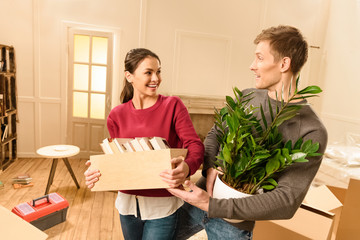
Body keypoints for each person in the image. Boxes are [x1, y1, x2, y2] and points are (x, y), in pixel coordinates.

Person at [168, 25, 328, 239]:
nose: (252, 66)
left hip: (232, 225)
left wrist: (212, 205)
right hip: (198, 198)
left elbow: (287, 200)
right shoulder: (247, 97)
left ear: (284, 64)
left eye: (260, 58)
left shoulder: (312, 130)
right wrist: (211, 167)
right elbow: (216, 134)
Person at [84, 48, 204, 240]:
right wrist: (99, 171)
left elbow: (195, 145)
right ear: (129, 76)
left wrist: (187, 167)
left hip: (163, 206)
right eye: (149, 72)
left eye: (158, 72)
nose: (156, 78)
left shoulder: (173, 105)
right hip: (127, 205)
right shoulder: (116, 115)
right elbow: (119, 162)